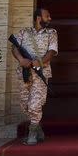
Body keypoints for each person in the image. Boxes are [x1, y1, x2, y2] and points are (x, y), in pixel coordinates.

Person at [11, 8, 58, 145]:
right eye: (47, 16)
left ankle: (32, 134)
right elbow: (14, 48)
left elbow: (52, 51)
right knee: (24, 104)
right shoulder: (23, 32)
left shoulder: (51, 33)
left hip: (41, 73)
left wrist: (40, 61)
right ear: (39, 18)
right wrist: (21, 59)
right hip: (24, 73)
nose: (49, 18)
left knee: (35, 104)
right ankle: (38, 130)